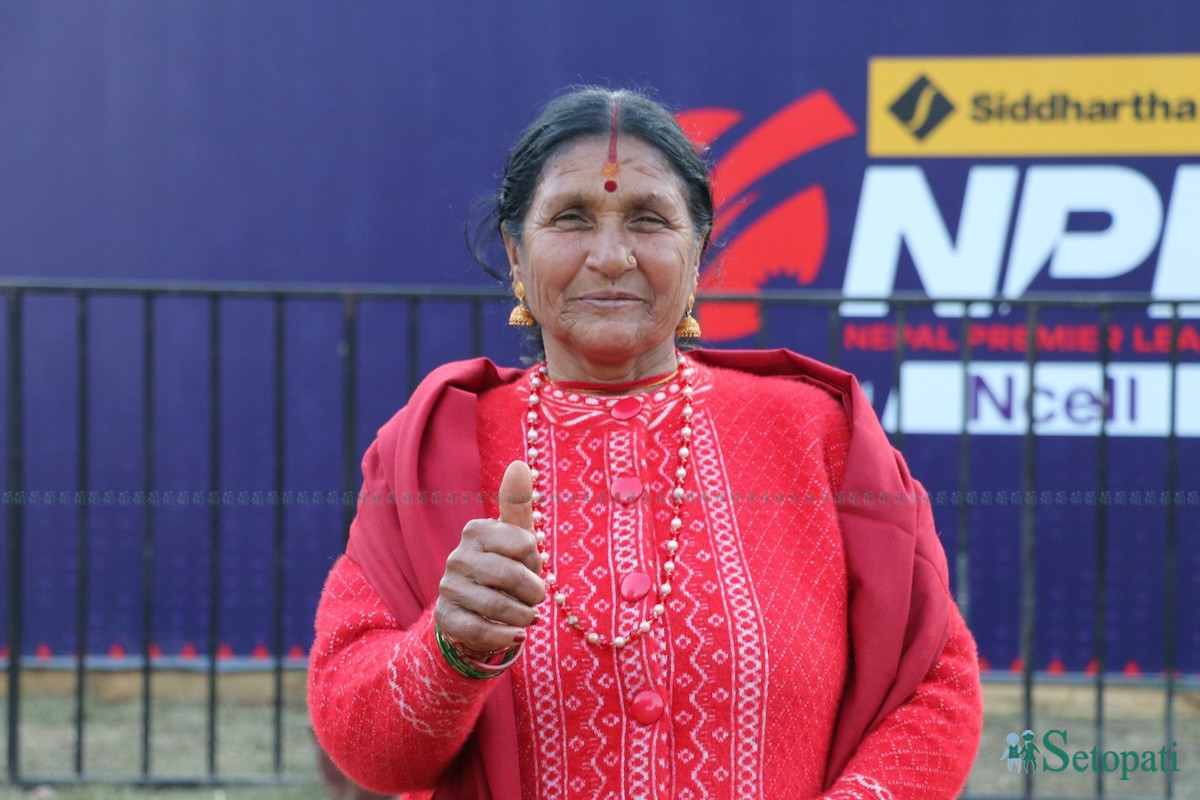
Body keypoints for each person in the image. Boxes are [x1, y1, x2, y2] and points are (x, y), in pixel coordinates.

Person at [308, 86, 983, 800]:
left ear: (697, 251)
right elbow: (362, 742)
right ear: (514, 252)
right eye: (571, 217)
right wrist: (449, 649)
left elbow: (934, 683)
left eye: (648, 219)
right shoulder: (436, 451)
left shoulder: (817, 434)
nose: (610, 256)